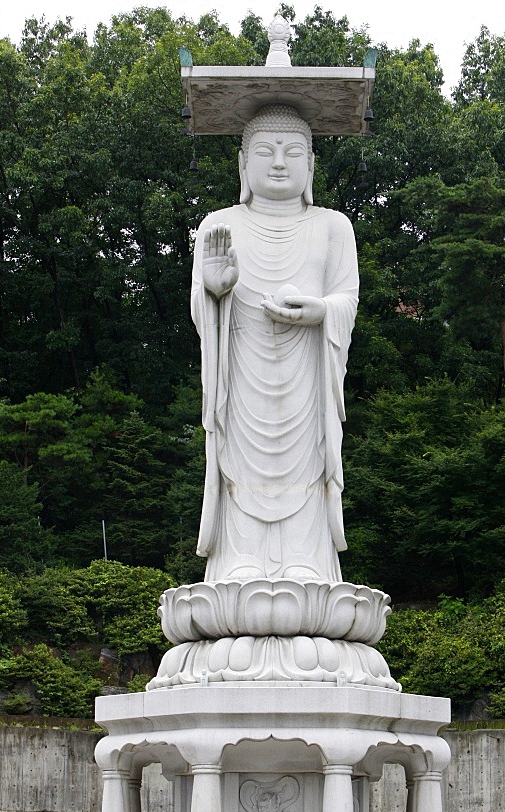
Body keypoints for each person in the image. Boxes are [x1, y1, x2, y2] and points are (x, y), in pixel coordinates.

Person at [192, 103, 358, 583]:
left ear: (311, 164)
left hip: (307, 371)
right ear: (243, 164)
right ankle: (239, 562)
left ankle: (306, 562)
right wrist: (215, 289)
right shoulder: (218, 225)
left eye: (293, 152)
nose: (279, 162)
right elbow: (202, 314)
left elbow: (347, 298)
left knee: (306, 463)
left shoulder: (333, 226)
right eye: (265, 151)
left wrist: (321, 310)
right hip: (241, 371)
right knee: (239, 461)